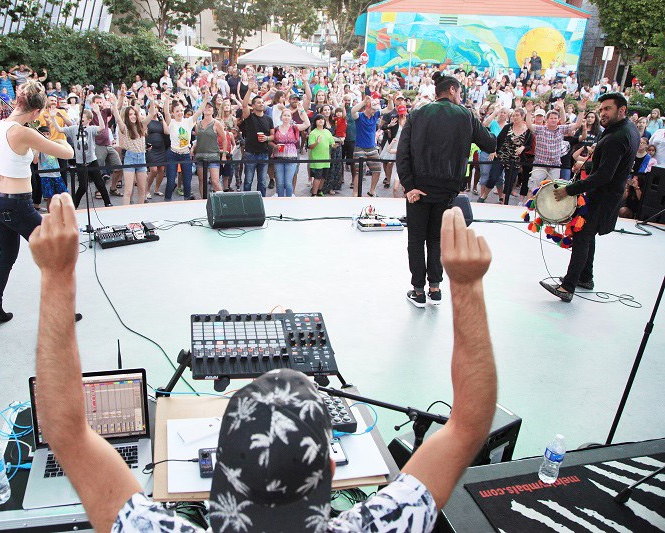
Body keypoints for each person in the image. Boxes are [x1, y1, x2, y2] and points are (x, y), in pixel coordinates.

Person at [28, 195, 495, 532]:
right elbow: (468, 426)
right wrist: (466, 286)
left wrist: (57, 276)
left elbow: (66, 431)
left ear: (216, 477)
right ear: (329, 476)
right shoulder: (382, 525)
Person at [397, 70, 495, 307]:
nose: (460, 97)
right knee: (437, 239)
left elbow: (402, 153)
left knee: (416, 239)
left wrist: (409, 186)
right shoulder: (466, 115)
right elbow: (490, 143)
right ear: (452, 90)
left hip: (418, 190)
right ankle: (436, 288)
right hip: (447, 191)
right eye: (460, 93)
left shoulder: (418, 113)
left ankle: (418, 291)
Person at [0, 80, 75, 328]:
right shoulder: (24, 132)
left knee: (6, 257)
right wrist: (59, 138)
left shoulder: (0, 126)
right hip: (17, 206)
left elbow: (26, 155)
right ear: (36, 111)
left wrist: (32, 129)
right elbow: (67, 153)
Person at [542, 93, 641, 301]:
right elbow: (612, 166)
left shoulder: (617, 137)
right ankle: (585, 277)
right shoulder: (626, 129)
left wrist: (569, 189)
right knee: (588, 235)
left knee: (582, 237)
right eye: (601, 109)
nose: (602, 113)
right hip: (607, 195)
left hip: (602, 197)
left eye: (607, 109)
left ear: (621, 110)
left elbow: (604, 176)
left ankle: (567, 288)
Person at [50, 104, 113, 208]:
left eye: (83, 117)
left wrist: (97, 113)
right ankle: (74, 206)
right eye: (81, 117)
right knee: (82, 187)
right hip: (80, 162)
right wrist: (53, 117)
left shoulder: (92, 129)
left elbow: (102, 127)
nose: (81, 119)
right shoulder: (74, 128)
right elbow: (59, 130)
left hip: (92, 160)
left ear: (89, 119)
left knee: (100, 184)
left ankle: (108, 202)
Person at [112, 98, 155, 204]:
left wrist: (152, 100)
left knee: (142, 190)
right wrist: (114, 104)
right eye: (130, 114)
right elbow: (117, 117)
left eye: (134, 114)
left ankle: (139, 214)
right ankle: (126, 215)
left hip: (141, 158)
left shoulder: (142, 125)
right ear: (127, 116)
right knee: (128, 190)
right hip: (130, 158)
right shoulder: (125, 128)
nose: (133, 116)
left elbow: (152, 113)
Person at [240, 85, 274, 197]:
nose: (261, 104)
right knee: (248, 181)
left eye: (262, 102)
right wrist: (249, 90)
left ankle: (262, 202)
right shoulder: (249, 117)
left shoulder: (268, 119)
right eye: (258, 102)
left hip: (264, 154)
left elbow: (273, 136)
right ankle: (245, 203)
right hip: (250, 153)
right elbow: (244, 105)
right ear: (253, 106)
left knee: (262, 182)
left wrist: (267, 138)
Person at [273, 106, 310, 197]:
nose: (286, 117)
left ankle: (289, 201)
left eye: (288, 115)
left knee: (288, 182)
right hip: (278, 157)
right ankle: (281, 200)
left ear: (291, 117)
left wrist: (302, 110)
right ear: (281, 117)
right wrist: (275, 146)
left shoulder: (295, 127)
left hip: (291, 156)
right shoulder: (276, 128)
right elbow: (272, 140)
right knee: (280, 183)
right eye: (284, 115)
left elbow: (307, 124)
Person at [308, 115, 336, 197]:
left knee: (323, 177)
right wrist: (317, 142)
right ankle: (314, 194)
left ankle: (320, 191)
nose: (321, 121)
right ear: (315, 122)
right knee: (317, 177)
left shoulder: (327, 132)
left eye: (322, 119)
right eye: (318, 119)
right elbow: (310, 146)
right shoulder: (313, 133)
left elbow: (332, 143)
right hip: (317, 159)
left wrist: (337, 144)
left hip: (326, 159)